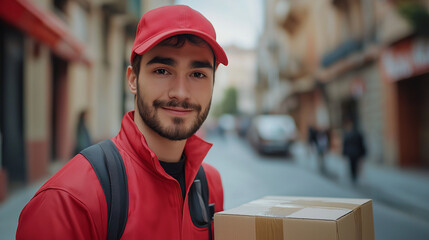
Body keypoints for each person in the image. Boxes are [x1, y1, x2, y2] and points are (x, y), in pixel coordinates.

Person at [16, 5, 228, 240]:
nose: (180, 92)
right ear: (133, 79)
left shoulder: (210, 185)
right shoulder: (69, 200)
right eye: (162, 70)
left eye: (198, 74)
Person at [342, 119, 366, 185]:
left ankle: (354, 176)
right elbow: (345, 145)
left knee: (355, 165)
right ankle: (353, 177)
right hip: (351, 153)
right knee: (352, 165)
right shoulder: (347, 134)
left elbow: (361, 144)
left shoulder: (356, 134)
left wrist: (363, 153)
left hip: (355, 153)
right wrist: (344, 153)